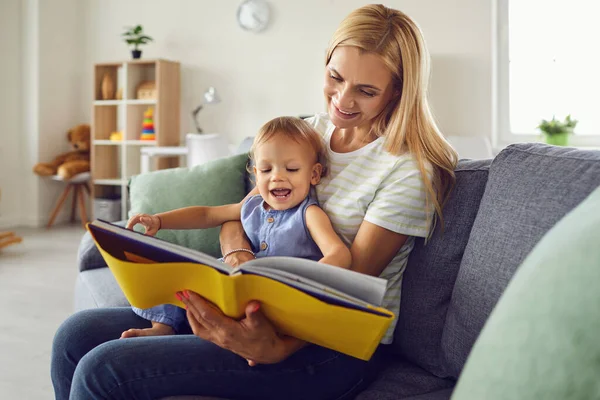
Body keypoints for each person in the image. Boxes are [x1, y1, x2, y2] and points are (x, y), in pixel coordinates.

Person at [51, 5, 458, 399]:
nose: (343, 101)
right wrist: (238, 259)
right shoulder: (309, 133)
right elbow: (242, 214)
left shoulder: (406, 170)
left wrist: (277, 347)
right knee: (73, 337)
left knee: (105, 369)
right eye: (335, 77)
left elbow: (350, 288)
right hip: (256, 309)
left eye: (366, 91)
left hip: (331, 348)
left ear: (398, 92)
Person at [121, 116, 352, 338]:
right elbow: (207, 214)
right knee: (176, 275)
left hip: (276, 299)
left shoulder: (309, 214)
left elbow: (338, 253)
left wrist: (307, 285)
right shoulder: (252, 205)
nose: (277, 178)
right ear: (255, 174)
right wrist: (160, 221)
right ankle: (163, 326)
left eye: (291, 169)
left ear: (314, 174)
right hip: (237, 288)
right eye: (266, 170)